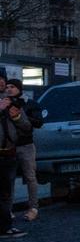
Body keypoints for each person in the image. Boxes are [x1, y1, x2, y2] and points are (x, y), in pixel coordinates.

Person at [5, 79, 43, 221]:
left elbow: (38, 122)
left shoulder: (29, 104)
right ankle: (8, 210)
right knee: (9, 179)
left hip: (25, 145)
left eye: (12, 87)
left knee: (30, 177)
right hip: (9, 146)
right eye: (7, 87)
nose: (9, 89)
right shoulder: (4, 103)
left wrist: (21, 117)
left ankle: (33, 207)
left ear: (19, 88)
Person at [0, 91, 32, 239]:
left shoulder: (11, 103)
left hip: (9, 154)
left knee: (6, 193)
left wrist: (16, 116)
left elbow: (27, 127)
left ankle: (5, 227)